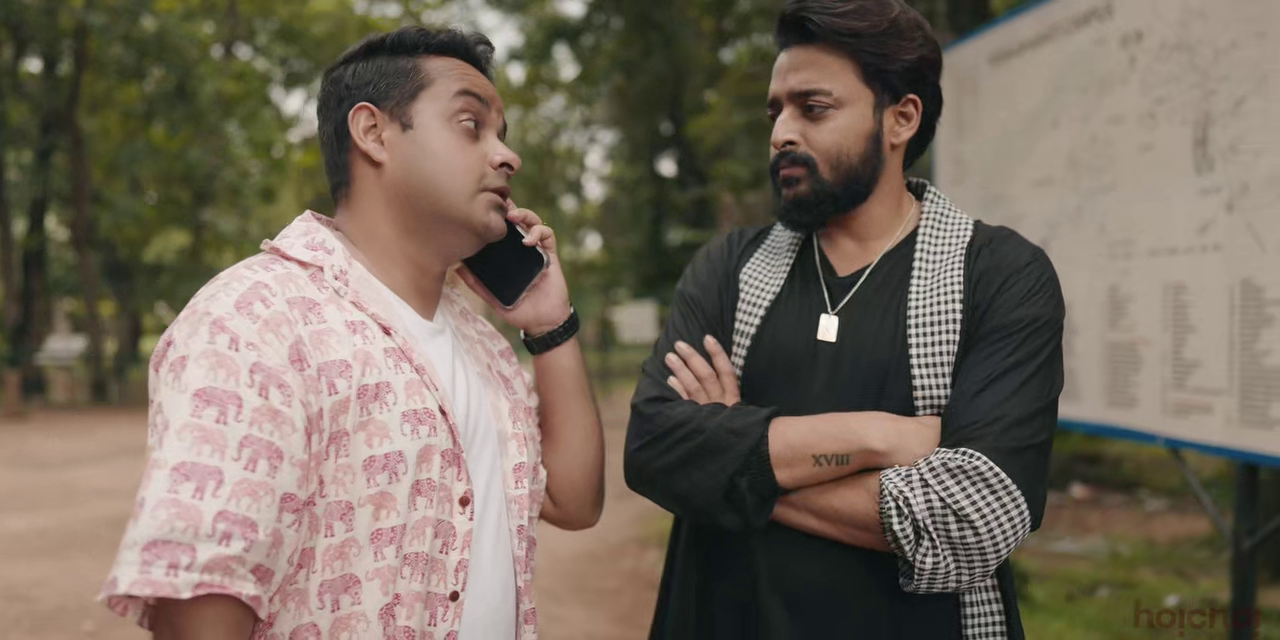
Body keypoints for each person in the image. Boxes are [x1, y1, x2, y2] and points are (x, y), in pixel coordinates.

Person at [99, 25, 605, 640]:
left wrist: (551, 325)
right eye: (471, 125)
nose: (507, 156)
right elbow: (202, 602)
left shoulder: (486, 349)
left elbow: (575, 503)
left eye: (503, 134)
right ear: (372, 132)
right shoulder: (257, 319)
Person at [624, 0, 1065, 638]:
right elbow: (653, 450)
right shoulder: (729, 269)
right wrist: (878, 437)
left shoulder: (997, 275)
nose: (781, 133)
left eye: (813, 108)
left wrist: (726, 458)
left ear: (901, 118)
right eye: (775, 112)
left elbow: (973, 518)